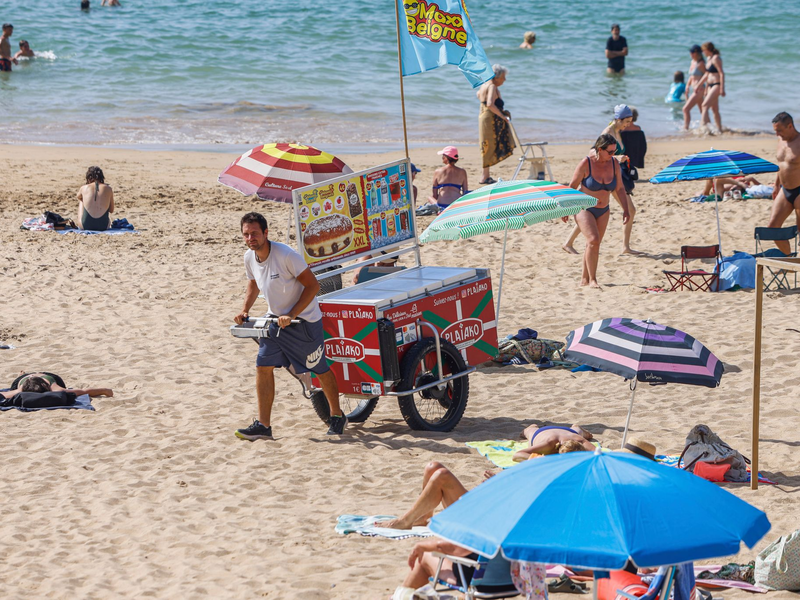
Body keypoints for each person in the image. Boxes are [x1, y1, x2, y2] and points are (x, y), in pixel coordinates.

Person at [233, 212, 346, 439]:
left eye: (254, 233)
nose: (250, 238)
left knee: (319, 369)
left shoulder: (286, 255)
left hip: (303, 322)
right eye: (246, 234)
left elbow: (313, 286)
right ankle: (264, 425)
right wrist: (245, 309)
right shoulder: (249, 257)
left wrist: (292, 314)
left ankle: (336, 415)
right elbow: (254, 283)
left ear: (266, 233)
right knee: (262, 367)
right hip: (275, 321)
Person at [564, 106, 639, 255]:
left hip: (611, 176)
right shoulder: (607, 133)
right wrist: (617, 158)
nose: (628, 124)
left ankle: (568, 242)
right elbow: (593, 152)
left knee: (594, 212)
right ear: (618, 119)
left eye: (631, 121)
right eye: (626, 121)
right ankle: (625, 247)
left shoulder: (617, 131)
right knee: (625, 210)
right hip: (601, 179)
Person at [561, 134, 631, 288]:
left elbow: (619, 188)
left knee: (593, 244)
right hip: (584, 207)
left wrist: (626, 209)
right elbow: (572, 186)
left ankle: (584, 280)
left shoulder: (614, 164)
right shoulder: (586, 163)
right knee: (593, 240)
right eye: (610, 152)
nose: (613, 155)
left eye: (614, 151)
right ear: (600, 149)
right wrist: (565, 208)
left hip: (604, 209)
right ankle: (593, 280)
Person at [766, 112, 800, 254]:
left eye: (779, 130)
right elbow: (781, 165)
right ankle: (790, 260)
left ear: (790, 126)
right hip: (785, 190)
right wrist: (776, 185)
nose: (777, 134)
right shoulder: (781, 141)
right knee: (773, 228)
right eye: (775, 131)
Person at [477, 64, 515, 185]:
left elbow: (479, 95)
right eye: (503, 77)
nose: (504, 80)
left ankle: (485, 175)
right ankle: (484, 176)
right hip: (490, 118)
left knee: (486, 144)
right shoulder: (492, 86)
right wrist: (503, 116)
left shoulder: (484, 85)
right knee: (490, 144)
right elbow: (490, 104)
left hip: (482, 115)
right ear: (496, 77)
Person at [513, 423, 596, 461]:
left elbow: (598, 453)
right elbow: (517, 455)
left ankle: (576, 427)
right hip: (541, 432)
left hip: (569, 432)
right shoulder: (548, 444)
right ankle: (533, 426)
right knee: (527, 431)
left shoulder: (579, 440)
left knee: (578, 432)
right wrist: (541, 459)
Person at [1, 372, 113, 399]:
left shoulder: (53, 387)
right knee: (21, 378)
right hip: (24, 379)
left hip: (48, 376)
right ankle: (23, 374)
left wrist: (104, 390)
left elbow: (83, 391)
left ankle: (24, 373)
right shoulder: (21, 389)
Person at [76, 166, 114, 231]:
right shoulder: (109, 189)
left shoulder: (84, 187)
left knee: (82, 199)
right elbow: (111, 210)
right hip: (103, 226)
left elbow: (78, 196)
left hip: (85, 226)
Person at [698, 42, 724, 133]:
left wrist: (722, 88)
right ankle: (719, 130)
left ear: (707, 50)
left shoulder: (716, 58)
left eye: (703, 50)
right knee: (714, 109)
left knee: (704, 105)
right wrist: (700, 85)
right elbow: (707, 74)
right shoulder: (709, 59)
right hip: (709, 86)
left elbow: (721, 73)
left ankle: (703, 129)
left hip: (716, 85)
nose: (703, 52)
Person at [682, 45, 706, 130]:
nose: (690, 54)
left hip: (699, 89)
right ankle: (707, 127)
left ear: (696, 53)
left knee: (685, 109)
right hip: (694, 89)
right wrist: (687, 86)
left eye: (692, 52)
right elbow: (692, 76)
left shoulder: (701, 63)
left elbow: (707, 75)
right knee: (702, 111)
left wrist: (704, 88)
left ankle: (685, 128)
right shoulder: (693, 62)